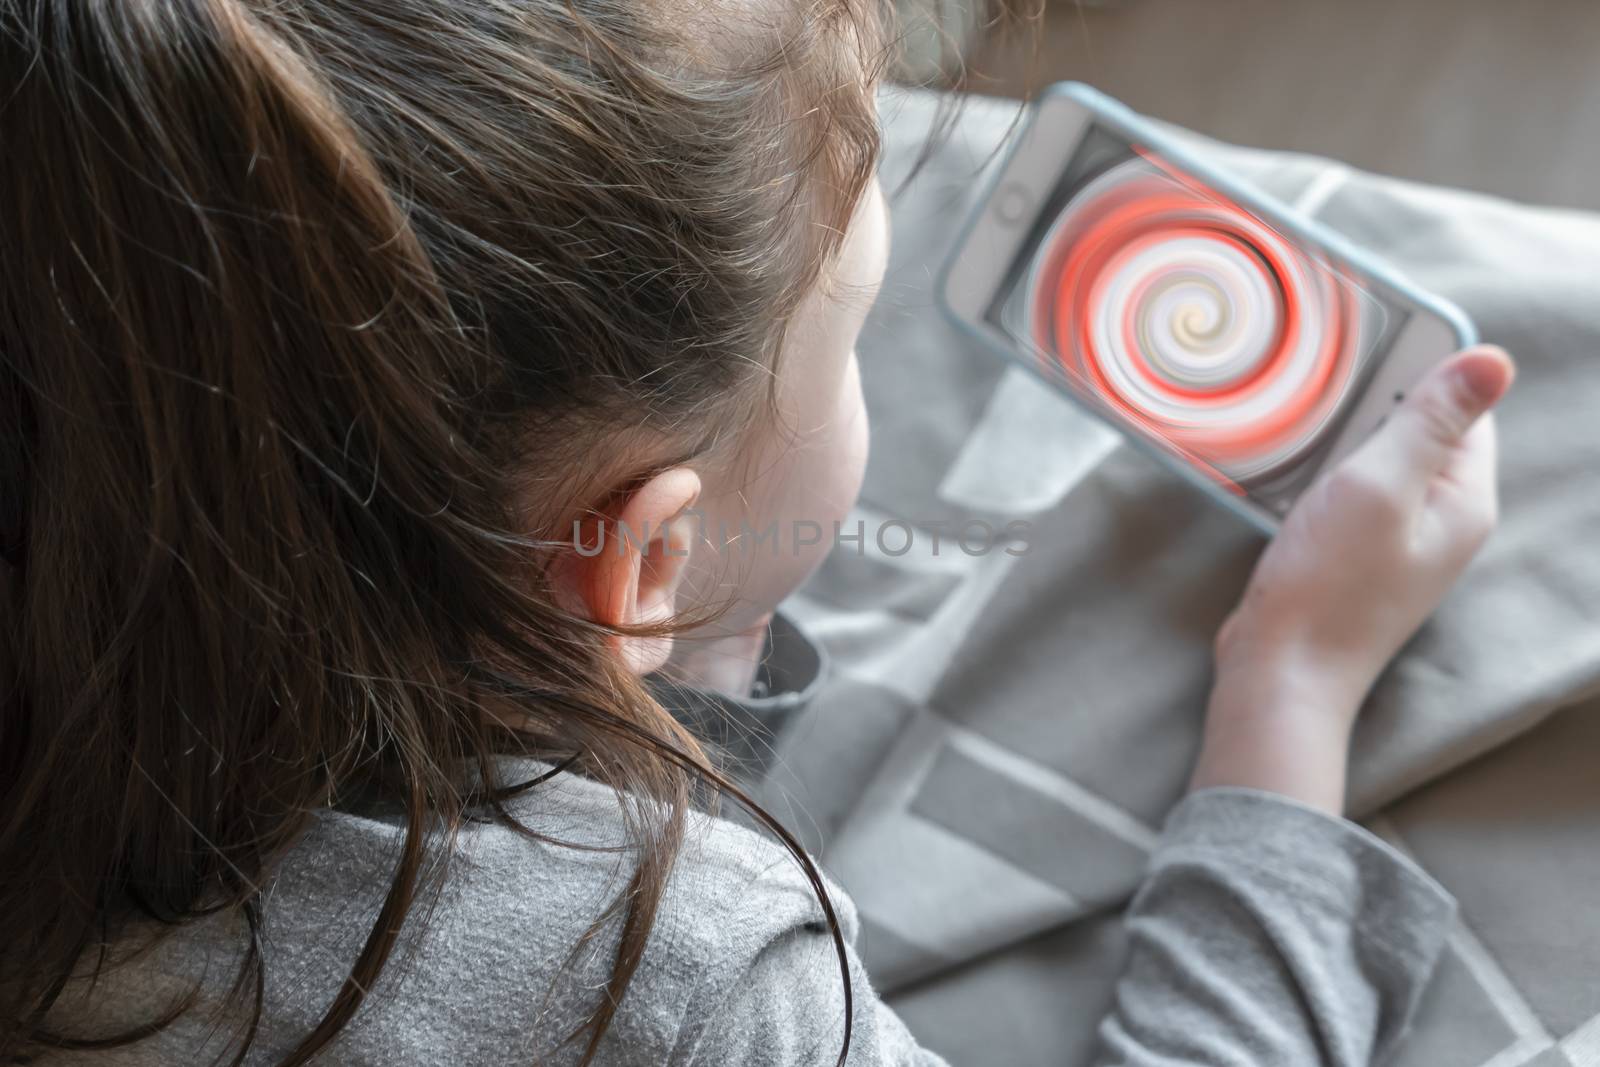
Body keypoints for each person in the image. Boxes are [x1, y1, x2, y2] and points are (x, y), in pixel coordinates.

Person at [0, 0, 1515, 1063]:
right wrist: (1291, 693)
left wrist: (643, 656)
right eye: (853, 343)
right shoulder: (685, 977)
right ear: (637, 556)